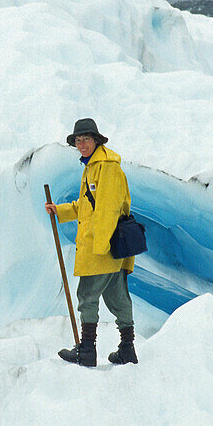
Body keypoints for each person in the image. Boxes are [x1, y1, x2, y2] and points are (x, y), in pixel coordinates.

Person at [44, 118, 138, 367]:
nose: (81, 144)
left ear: (96, 140)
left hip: (103, 246)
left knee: (87, 295)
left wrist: (101, 247)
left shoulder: (106, 167)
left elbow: (109, 209)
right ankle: (127, 348)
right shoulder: (92, 167)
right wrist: (59, 210)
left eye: (85, 139)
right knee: (118, 298)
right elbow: (86, 207)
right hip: (110, 247)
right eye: (77, 140)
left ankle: (86, 350)